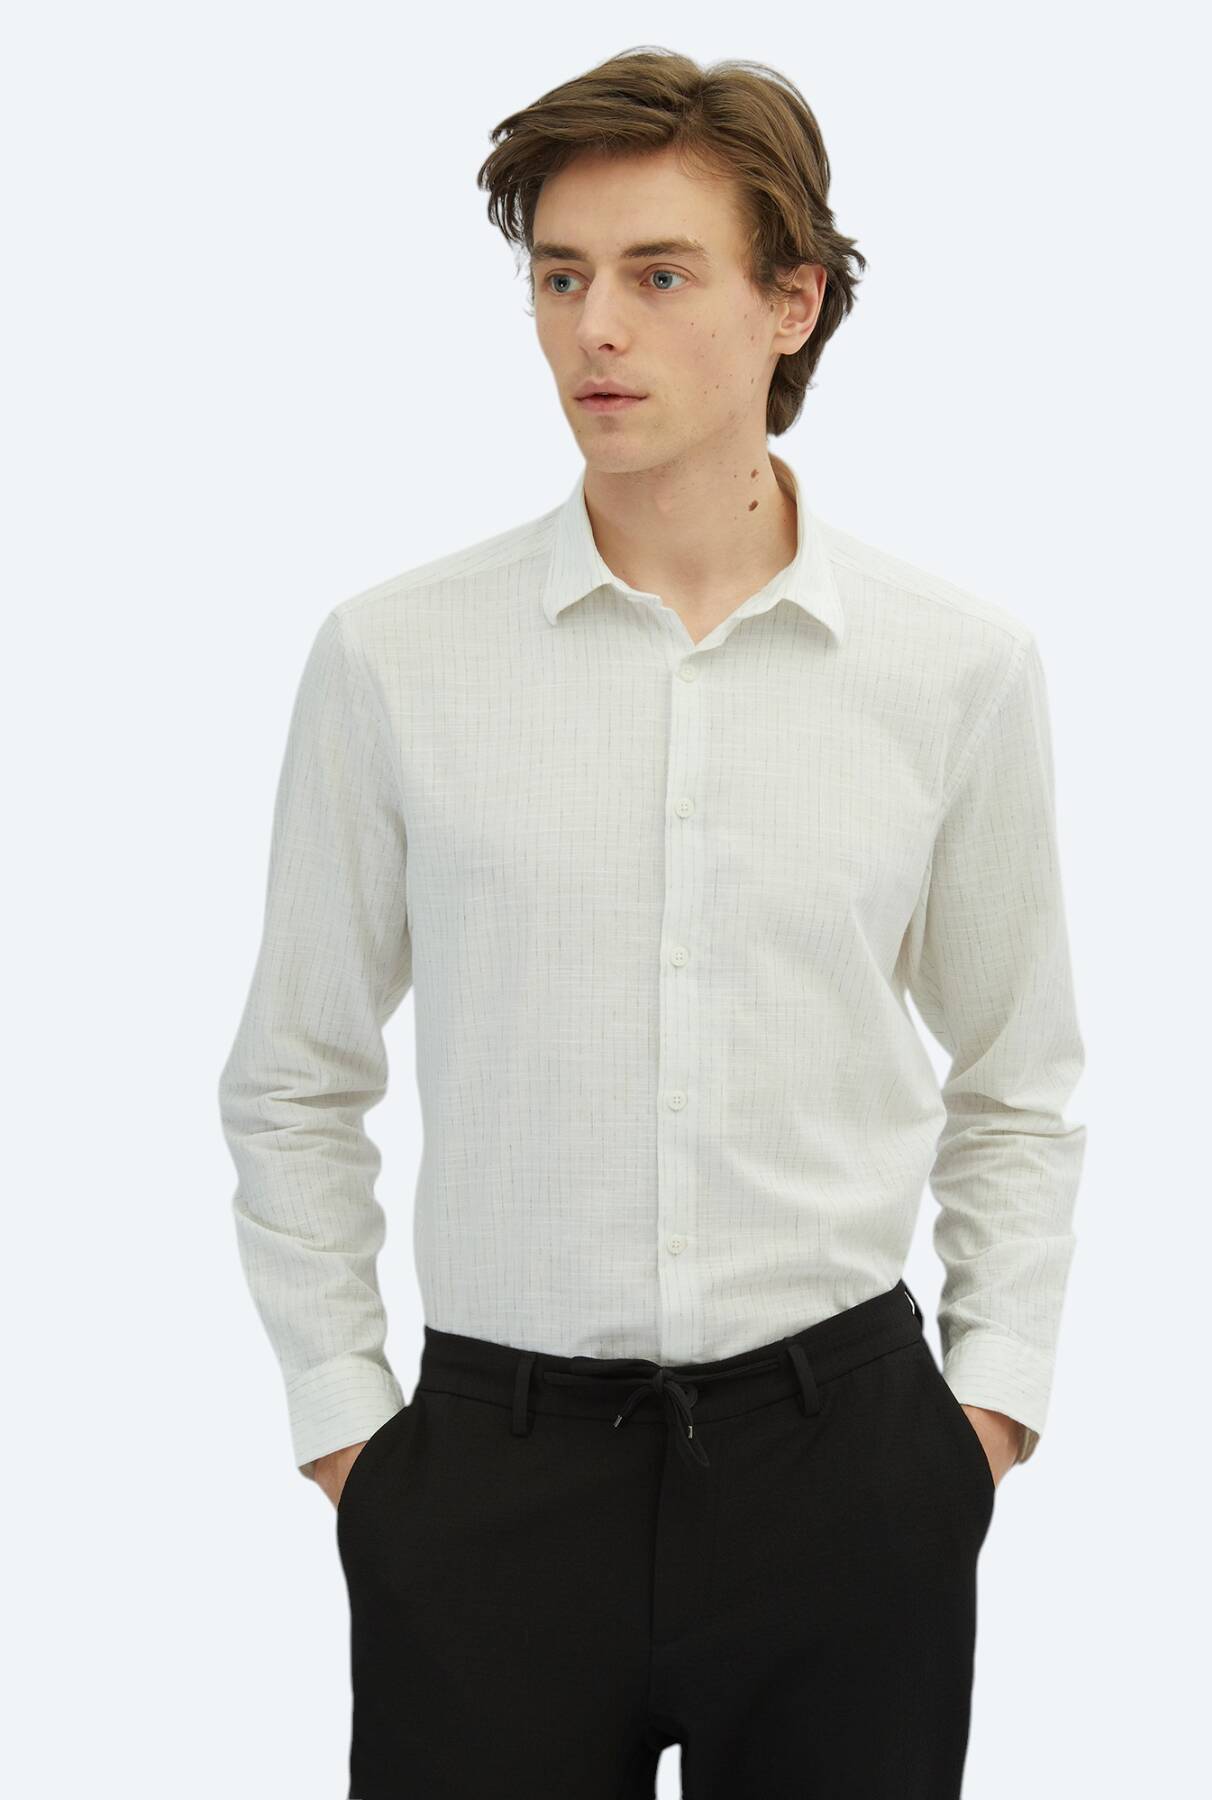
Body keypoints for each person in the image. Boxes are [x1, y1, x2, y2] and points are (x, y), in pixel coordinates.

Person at [218, 46, 1086, 1800]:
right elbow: (295, 1076)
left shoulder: (955, 670)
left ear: (791, 303)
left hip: (846, 1473)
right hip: (489, 1487)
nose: (592, 330)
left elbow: (1018, 1079)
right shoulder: (394, 657)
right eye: (559, 277)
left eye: (658, 275)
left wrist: (978, 1416)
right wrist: (350, 1432)